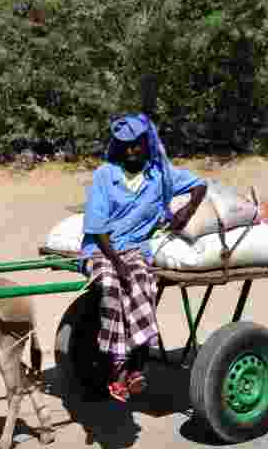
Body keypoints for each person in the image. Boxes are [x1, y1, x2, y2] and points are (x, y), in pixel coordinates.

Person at [81, 113, 208, 402]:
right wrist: (116, 263)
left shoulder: (161, 174)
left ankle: (136, 368)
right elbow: (98, 230)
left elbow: (200, 185)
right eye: (125, 145)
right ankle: (118, 367)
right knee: (111, 286)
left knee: (143, 284)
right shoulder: (105, 176)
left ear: (147, 144)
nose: (131, 151)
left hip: (137, 250)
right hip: (103, 249)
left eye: (136, 145)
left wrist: (187, 210)